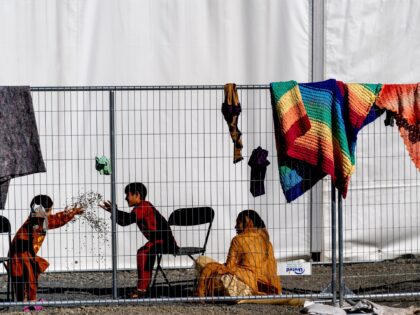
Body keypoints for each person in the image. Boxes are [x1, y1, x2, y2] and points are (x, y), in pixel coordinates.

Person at [100, 182, 178, 298]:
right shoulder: (140, 208)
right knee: (145, 251)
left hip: (164, 241)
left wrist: (115, 211)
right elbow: (124, 222)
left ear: (136, 194)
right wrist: (113, 211)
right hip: (157, 241)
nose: (126, 198)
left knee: (143, 252)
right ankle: (143, 288)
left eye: (128, 194)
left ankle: (142, 289)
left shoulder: (144, 206)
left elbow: (127, 220)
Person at [9, 194, 84, 304]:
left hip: (26, 253)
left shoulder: (41, 220)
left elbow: (55, 220)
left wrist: (72, 212)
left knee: (30, 275)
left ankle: (26, 300)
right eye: (50, 210)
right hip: (20, 254)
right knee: (27, 278)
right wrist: (71, 213)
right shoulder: (35, 220)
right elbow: (48, 220)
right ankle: (29, 302)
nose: (50, 213)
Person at [196, 209, 281, 297]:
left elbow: (229, 266)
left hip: (242, 284)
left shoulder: (238, 239)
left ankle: (239, 291)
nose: (235, 226)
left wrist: (212, 269)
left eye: (238, 223)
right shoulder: (267, 242)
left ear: (247, 223)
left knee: (201, 260)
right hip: (266, 287)